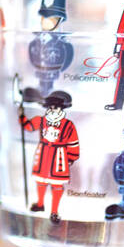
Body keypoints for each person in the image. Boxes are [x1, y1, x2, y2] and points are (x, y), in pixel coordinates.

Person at [19, 90, 80, 224]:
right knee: (41, 181)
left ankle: (54, 211)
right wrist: (21, 116)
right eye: (50, 107)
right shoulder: (41, 121)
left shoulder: (68, 126)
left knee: (56, 184)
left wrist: (70, 158)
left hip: (59, 157)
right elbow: (28, 126)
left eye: (56, 108)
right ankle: (40, 203)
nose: (53, 110)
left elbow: (73, 143)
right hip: (43, 155)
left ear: (62, 109)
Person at [28, 0, 73, 97]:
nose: (46, 21)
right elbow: (32, 53)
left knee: (50, 89)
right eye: (44, 17)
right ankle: (42, 91)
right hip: (40, 70)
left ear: (60, 20)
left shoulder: (63, 44)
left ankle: (49, 92)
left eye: (52, 18)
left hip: (54, 72)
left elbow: (67, 57)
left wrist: (59, 68)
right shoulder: (36, 41)